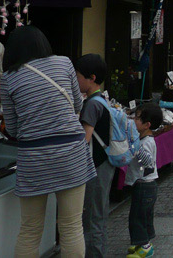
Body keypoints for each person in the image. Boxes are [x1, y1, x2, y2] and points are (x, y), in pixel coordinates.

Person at [0, 26, 96, 256]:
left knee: (30, 229)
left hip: (34, 157)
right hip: (71, 151)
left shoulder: (8, 78)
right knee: (71, 227)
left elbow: (12, 128)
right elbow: (77, 106)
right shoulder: (64, 63)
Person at [76, 53, 115, 258]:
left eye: (78, 76)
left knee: (92, 219)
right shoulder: (102, 98)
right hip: (105, 165)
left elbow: (85, 140)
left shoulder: (91, 104)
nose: (76, 79)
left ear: (91, 78)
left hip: (96, 168)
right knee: (99, 217)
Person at [125, 103, 163, 258]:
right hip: (143, 185)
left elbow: (147, 162)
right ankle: (142, 243)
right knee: (142, 215)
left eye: (138, 118)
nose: (134, 120)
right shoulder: (143, 139)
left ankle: (145, 246)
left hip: (145, 186)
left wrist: (135, 147)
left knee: (137, 217)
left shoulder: (146, 142)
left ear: (147, 125)